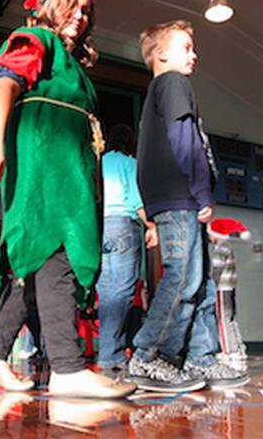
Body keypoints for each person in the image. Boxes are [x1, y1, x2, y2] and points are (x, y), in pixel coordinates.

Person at [0, 0, 135, 398]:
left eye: (86, 11)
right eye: (71, 6)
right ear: (48, 6)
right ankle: (67, 367)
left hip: (70, 175)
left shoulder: (75, 68)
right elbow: (4, 85)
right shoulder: (36, 42)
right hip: (45, 171)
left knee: (34, 267)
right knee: (57, 256)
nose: (80, 17)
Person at [127, 19, 248, 392]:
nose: (194, 55)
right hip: (181, 197)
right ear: (161, 54)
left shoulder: (160, 91)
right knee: (182, 277)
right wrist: (202, 191)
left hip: (177, 198)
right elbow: (184, 139)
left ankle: (201, 358)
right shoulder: (173, 83)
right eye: (186, 47)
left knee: (198, 284)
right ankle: (149, 357)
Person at [96, 123, 157, 374]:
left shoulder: (98, 163)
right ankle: (111, 354)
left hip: (101, 227)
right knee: (122, 290)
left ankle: (109, 351)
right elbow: (136, 200)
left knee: (107, 291)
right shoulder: (128, 163)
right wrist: (150, 225)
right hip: (124, 225)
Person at [207, 218, 251, 364]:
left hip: (222, 288)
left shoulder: (220, 247)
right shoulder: (228, 246)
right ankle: (239, 349)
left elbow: (217, 269)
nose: (210, 237)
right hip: (231, 288)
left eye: (210, 234)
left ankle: (229, 351)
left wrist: (211, 286)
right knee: (231, 319)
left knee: (222, 320)